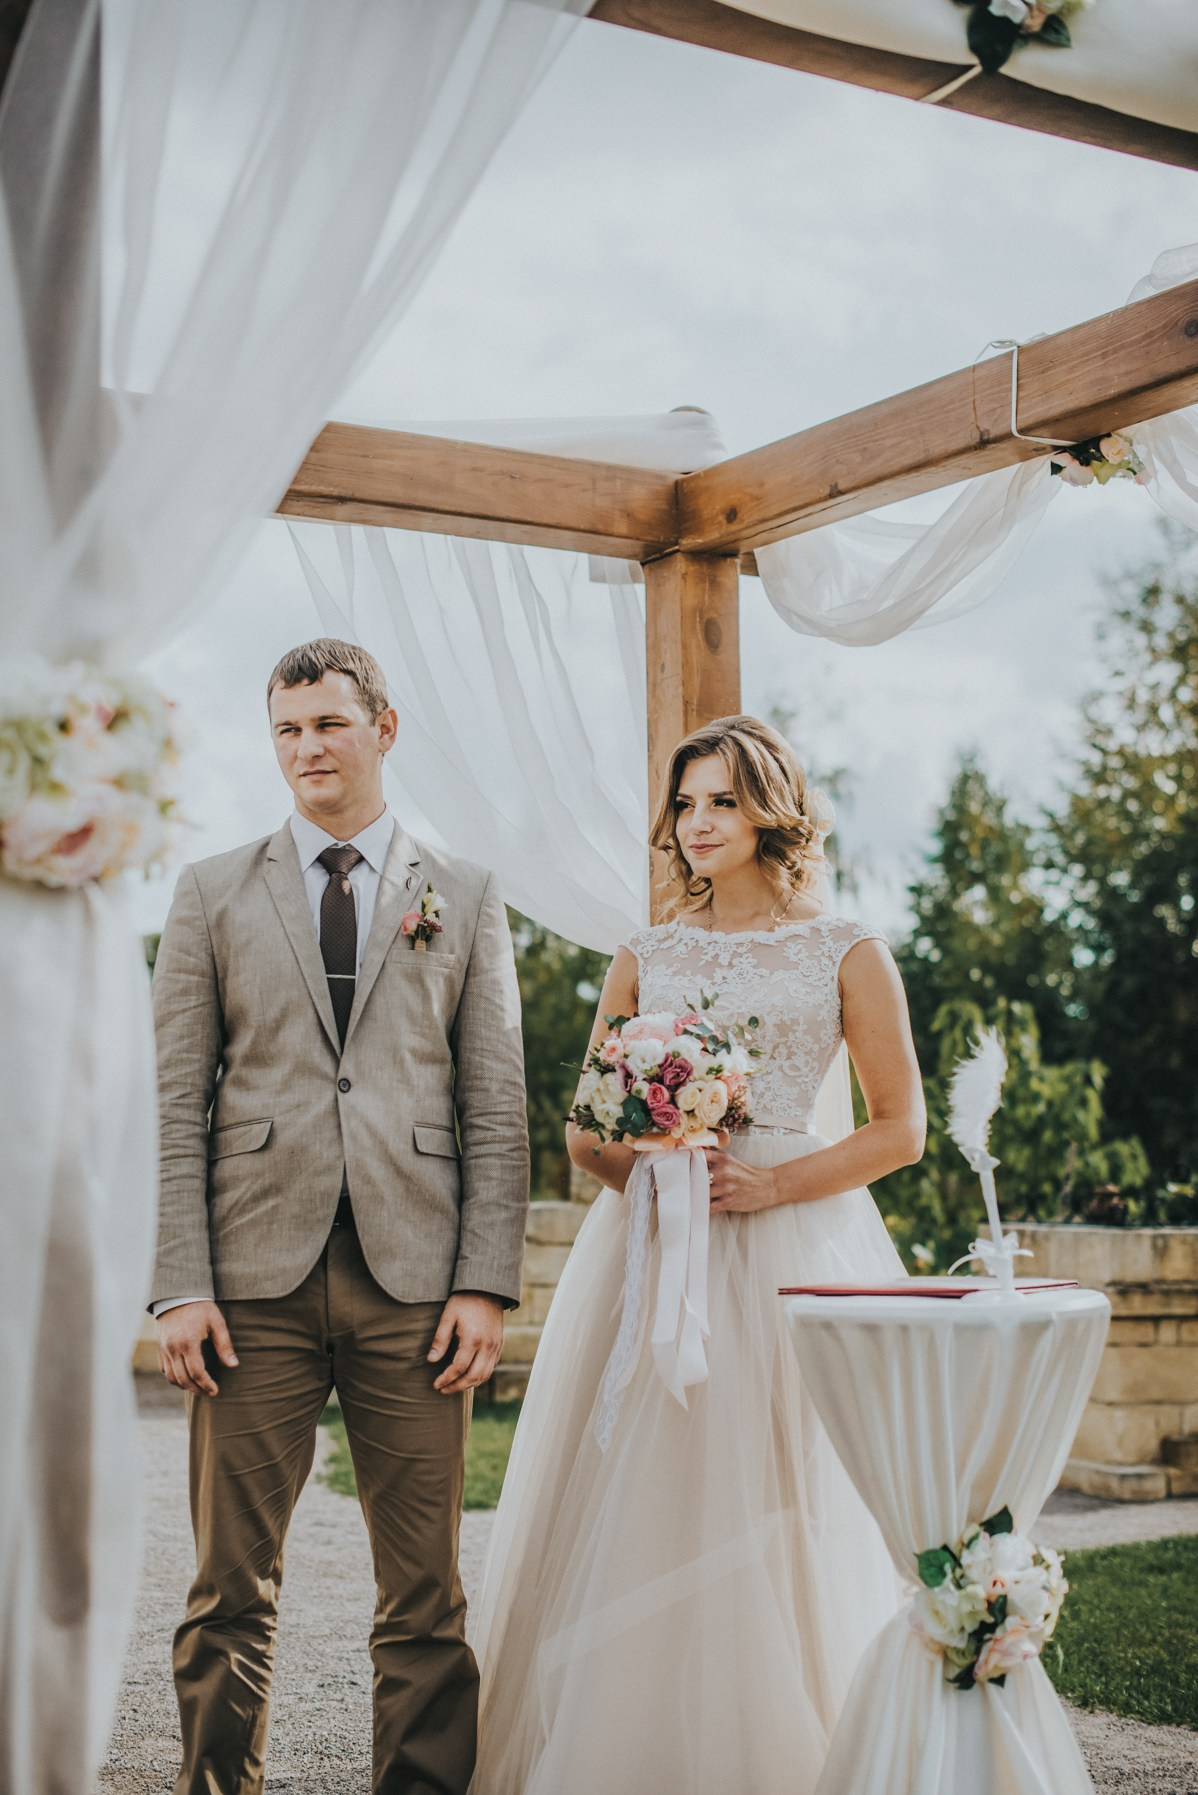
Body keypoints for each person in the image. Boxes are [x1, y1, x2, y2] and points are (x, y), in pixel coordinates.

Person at [469, 715, 926, 1795]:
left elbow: (898, 1128)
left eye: (721, 800)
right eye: (685, 803)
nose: (699, 822)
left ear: (771, 809)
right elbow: (584, 1132)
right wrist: (661, 1177)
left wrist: (768, 1182)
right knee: (638, 1485)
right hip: (658, 1243)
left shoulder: (847, 948)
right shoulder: (648, 952)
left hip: (795, 1243)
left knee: (789, 1485)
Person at [150, 637, 527, 1795]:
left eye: (327, 723)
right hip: (247, 1283)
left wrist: (485, 1281)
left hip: (417, 1287)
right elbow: (173, 1101)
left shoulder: (461, 893)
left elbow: (495, 1100)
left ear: (384, 728)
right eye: (287, 729)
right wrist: (179, 1281)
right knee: (227, 1588)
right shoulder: (210, 889)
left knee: (425, 1595)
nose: (307, 747)